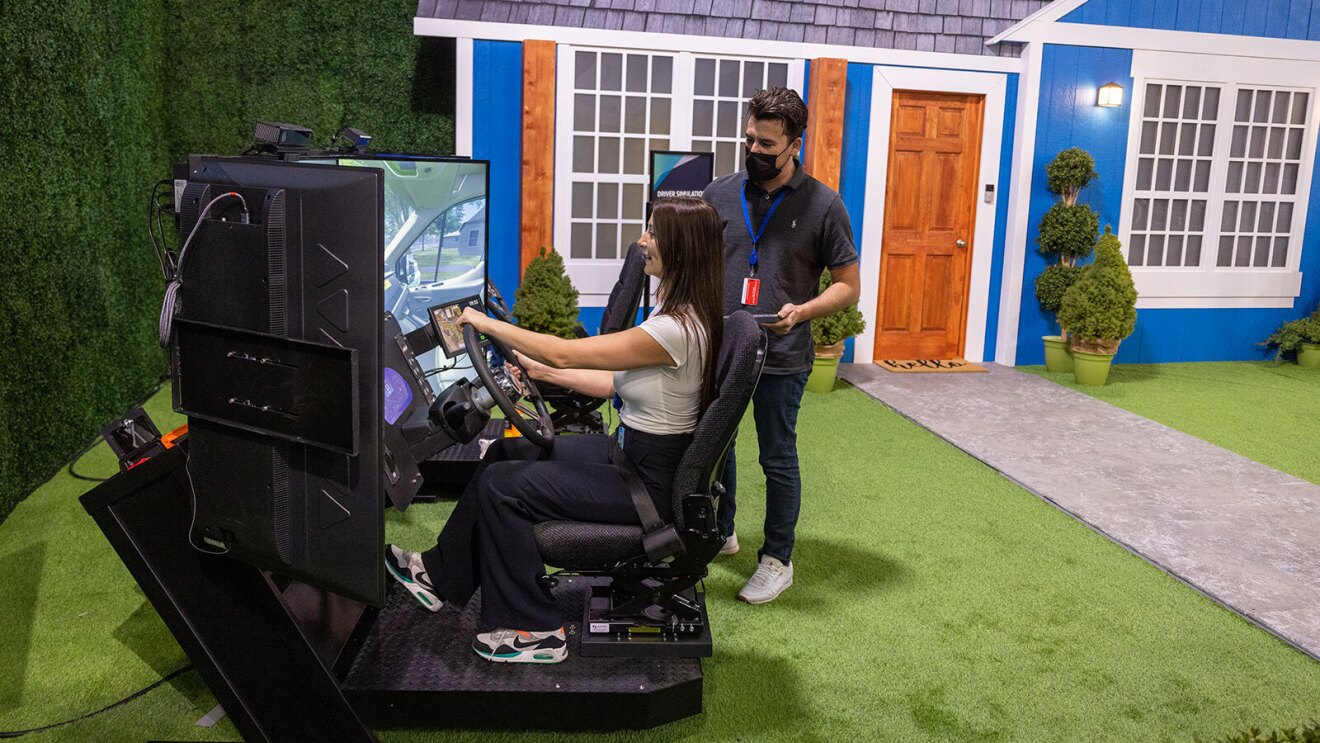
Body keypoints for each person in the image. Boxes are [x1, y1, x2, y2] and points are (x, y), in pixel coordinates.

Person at [384, 197, 725, 664]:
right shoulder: (682, 317)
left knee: (504, 489)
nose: (642, 242)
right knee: (503, 457)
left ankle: (534, 628)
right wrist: (542, 373)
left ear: (681, 249)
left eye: (652, 234)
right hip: (630, 458)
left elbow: (566, 351)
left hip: (648, 486)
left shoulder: (676, 330)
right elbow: (611, 383)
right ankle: (440, 577)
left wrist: (485, 324)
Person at [702, 87, 861, 605]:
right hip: (722, 351)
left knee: (777, 457)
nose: (754, 151)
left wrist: (805, 310)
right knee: (713, 446)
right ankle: (720, 531)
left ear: (795, 143)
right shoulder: (717, 194)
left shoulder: (824, 204)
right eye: (749, 138)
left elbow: (848, 285)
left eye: (766, 144)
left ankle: (777, 560)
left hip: (782, 355)